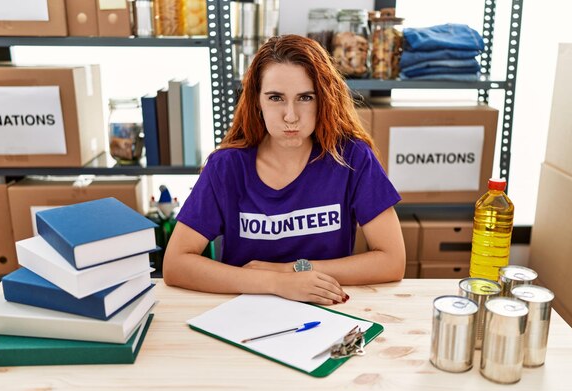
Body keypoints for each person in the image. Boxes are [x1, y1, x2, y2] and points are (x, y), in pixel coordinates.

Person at [163, 34, 405, 305]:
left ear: (323, 99)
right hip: (242, 316)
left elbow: (392, 261)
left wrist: (292, 270)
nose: (291, 116)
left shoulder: (352, 158)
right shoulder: (226, 167)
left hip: (326, 310)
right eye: (276, 97)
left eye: (305, 97)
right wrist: (276, 283)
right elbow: (175, 264)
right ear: (257, 101)